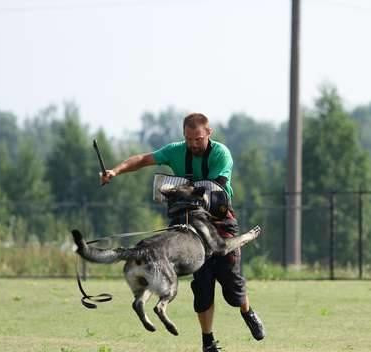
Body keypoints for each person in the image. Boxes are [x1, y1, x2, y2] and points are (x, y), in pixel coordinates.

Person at [100, 112, 265, 352]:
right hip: (189, 224)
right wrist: (115, 171)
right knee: (203, 284)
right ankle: (208, 342)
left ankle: (247, 312)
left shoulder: (221, 154)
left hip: (219, 221)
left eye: (198, 139)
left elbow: (214, 188)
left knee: (231, 282)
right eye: (188, 139)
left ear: (209, 133)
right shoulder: (176, 150)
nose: (193, 144)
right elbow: (143, 159)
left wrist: (176, 190)